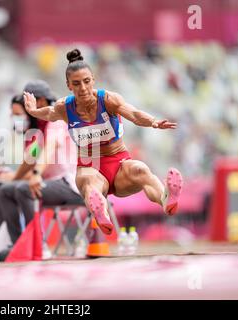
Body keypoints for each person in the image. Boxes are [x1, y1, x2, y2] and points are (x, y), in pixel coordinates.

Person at [23, 49, 183, 235]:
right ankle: (101, 212)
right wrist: (34, 111)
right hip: (90, 166)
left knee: (141, 169)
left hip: (119, 165)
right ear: (69, 86)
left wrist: (153, 122)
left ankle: (166, 199)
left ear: (93, 80)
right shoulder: (64, 107)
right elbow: (49, 113)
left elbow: (134, 114)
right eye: (76, 84)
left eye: (86, 81)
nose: (82, 88)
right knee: (89, 181)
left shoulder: (108, 100)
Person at [0, 82, 83, 251]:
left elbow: (49, 149)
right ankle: (18, 245)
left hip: (70, 184)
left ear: (39, 102)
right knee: (2, 190)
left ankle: (38, 245)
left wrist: (31, 174)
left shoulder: (56, 120)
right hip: (51, 182)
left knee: (23, 189)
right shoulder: (38, 128)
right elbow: (31, 159)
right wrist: (12, 177)